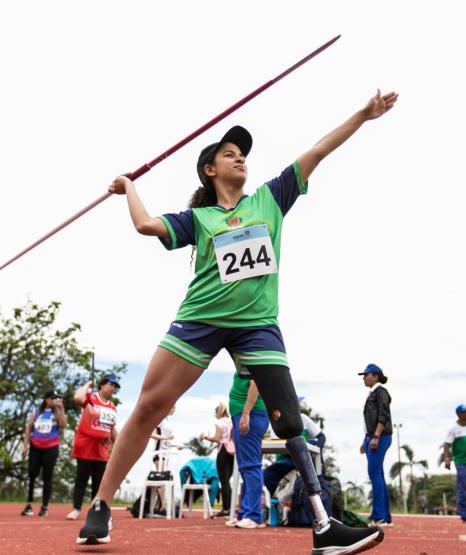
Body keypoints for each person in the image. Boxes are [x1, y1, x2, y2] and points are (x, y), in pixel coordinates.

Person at [76, 88, 398, 555]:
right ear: (210, 169)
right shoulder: (199, 218)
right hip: (201, 320)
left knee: (289, 421)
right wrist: (129, 187)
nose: (241, 159)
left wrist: (364, 115)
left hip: (257, 324)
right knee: (149, 407)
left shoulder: (269, 199)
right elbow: (146, 225)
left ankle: (324, 526)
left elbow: (318, 151)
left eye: (244, 153)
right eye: (231, 154)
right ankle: (101, 506)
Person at [66, 374, 120, 521]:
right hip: (85, 447)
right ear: (102, 385)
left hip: (102, 450)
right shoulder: (91, 398)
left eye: (115, 387)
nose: (112, 388)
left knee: (99, 482)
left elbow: (112, 429)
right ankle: (76, 509)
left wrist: (119, 445)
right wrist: (88, 383)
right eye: (110, 384)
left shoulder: (112, 407)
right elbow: (77, 398)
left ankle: (94, 511)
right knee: (81, 479)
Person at [228, 374, 268, 529]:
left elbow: (256, 382)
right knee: (245, 467)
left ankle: (253, 516)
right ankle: (245, 513)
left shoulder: (252, 355)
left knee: (251, 466)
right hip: (242, 414)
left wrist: (246, 413)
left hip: (251, 413)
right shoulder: (243, 360)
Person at [264, 402, 325, 499]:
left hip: (303, 458)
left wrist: (316, 451)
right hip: (285, 460)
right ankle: (273, 502)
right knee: (267, 476)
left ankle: (312, 503)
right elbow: (275, 444)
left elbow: (321, 437)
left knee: (312, 479)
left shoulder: (303, 418)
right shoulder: (276, 422)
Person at [21, 389, 67, 517]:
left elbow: (63, 425)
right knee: (31, 475)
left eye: (57, 398)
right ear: (47, 399)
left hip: (51, 448)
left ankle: (44, 507)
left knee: (47, 476)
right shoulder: (37, 412)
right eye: (53, 398)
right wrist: (25, 445)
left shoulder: (57, 412)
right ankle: (29, 505)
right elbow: (29, 427)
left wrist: (62, 409)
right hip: (35, 447)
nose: (55, 400)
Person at [359, 364, 393, 527]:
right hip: (372, 437)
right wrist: (365, 440)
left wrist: (376, 436)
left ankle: (378, 516)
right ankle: (385, 516)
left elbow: (383, 415)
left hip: (380, 437)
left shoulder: (381, 392)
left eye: (366, 375)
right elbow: (370, 420)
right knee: (378, 474)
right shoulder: (372, 393)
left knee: (374, 473)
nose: (364, 378)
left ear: (376, 376)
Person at [199, 401, 235, 518]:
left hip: (223, 451)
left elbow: (217, 438)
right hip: (233, 451)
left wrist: (205, 437)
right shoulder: (232, 421)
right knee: (228, 481)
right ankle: (231, 508)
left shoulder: (219, 422)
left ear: (218, 412)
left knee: (224, 481)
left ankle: (226, 509)